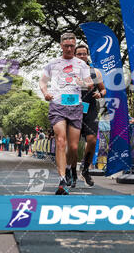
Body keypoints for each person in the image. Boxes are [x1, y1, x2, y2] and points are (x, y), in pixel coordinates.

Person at [39, 32, 92, 195]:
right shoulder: (53, 63)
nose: (69, 48)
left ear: (74, 46)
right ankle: (62, 178)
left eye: (72, 46)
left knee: (74, 147)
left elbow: (90, 83)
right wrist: (45, 92)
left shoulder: (81, 65)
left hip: (75, 106)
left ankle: (69, 168)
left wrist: (83, 83)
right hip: (57, 105)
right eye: (66, 46)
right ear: (61, 46)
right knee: (61, 141)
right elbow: (42, 81)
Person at [75, 44, 106, 188]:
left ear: (87, 55)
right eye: (78, 54)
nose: (81, 56)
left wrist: (100, 94)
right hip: (73, 109)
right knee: (73, 145)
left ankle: (85, 169)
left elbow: (103, 89)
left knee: (92, 140)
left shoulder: (95, 72)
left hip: (91, 108)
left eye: (84, 54)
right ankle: (71, 173)